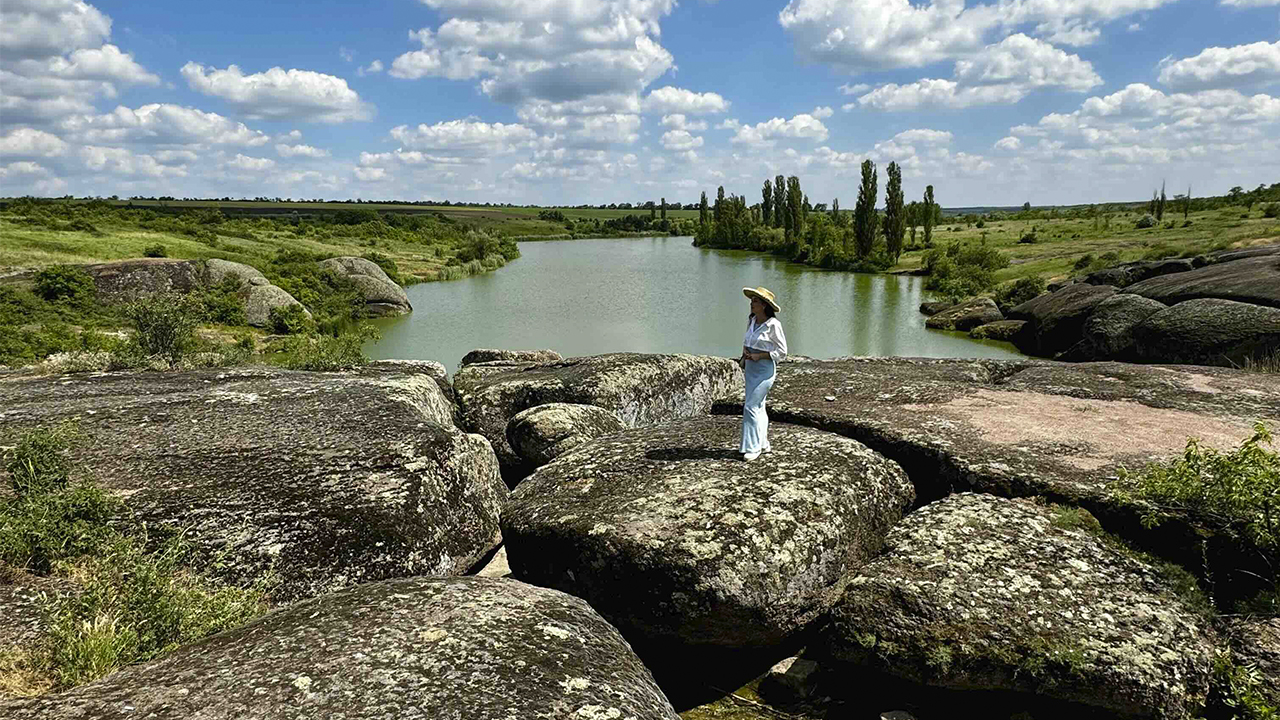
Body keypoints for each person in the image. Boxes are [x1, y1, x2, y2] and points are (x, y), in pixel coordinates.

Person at [738, 286, 787, 461]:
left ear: (765, 305)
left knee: (750, 406)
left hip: (764, 370)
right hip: (751, 368)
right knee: (759, 406)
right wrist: (745, 354)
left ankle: (753, 447)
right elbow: (748, 340)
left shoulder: (773, 325)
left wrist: (759, 355)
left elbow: (782, 352)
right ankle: (763, 443)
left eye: (756, 301)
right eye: (752, 300)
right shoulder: (751, 321)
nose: (752, 303)